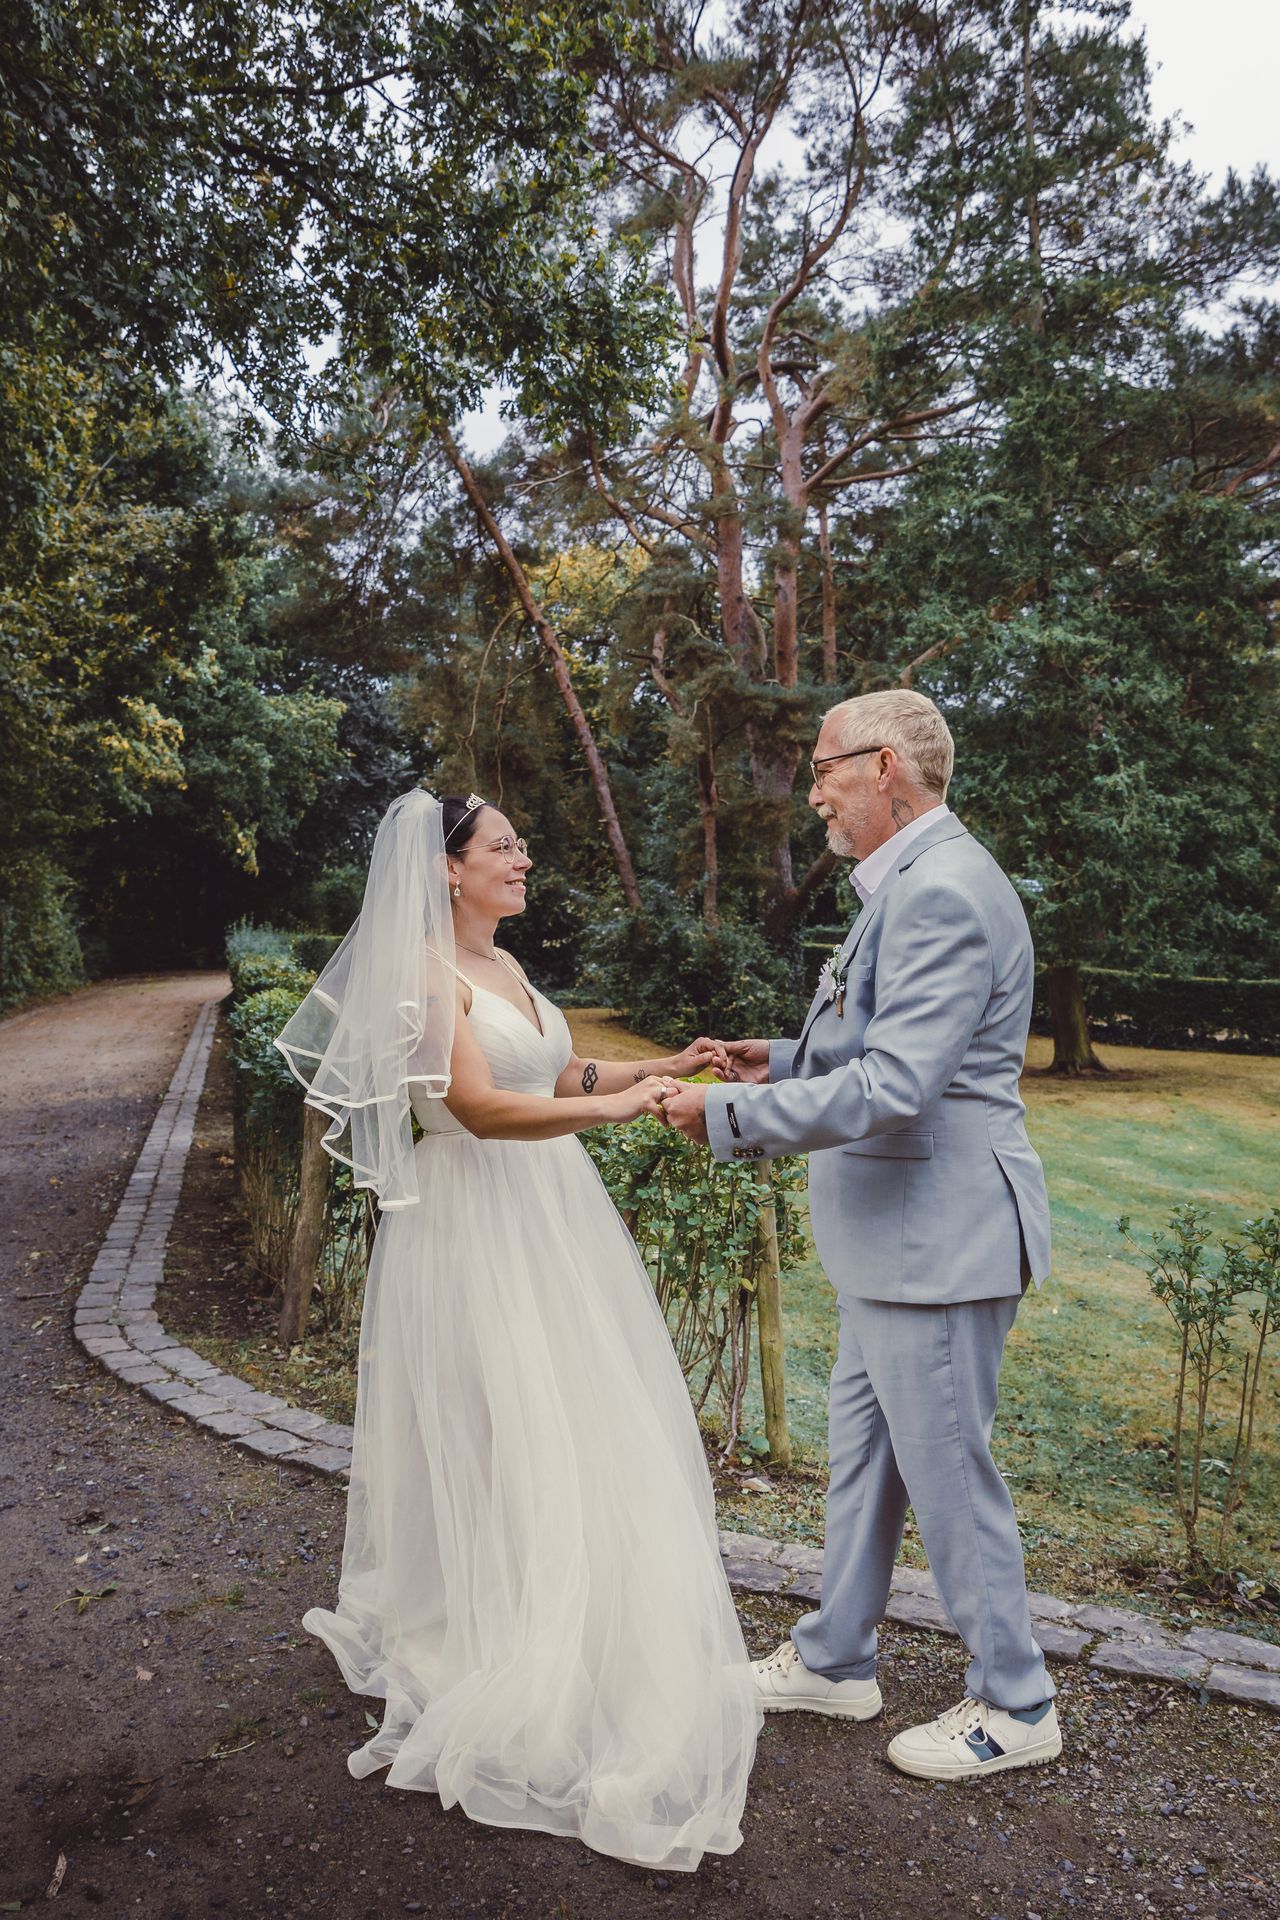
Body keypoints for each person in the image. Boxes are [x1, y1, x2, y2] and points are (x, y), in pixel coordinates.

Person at [275, 788, 759, 1871]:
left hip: (550, 1216)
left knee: (570, 1416)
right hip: (472, 1222)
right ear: (446, 868)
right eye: (503, 845)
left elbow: (556, 1073)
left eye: (518, 844)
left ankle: (562, 1616)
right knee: (498, 1421)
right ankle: (487, 1632)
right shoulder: (424, 973)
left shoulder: (506, 970)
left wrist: (654, 1069)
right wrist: (610, 1113)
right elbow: (480, 1106)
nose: (522, 857)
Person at [662, 689, 1061, 1782]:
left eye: (826, 767)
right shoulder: (912, 881)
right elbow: (871, 1040)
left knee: (947, 1480)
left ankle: (1015, 1704)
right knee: (868, 1465)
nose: (815, 791)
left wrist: (724, 1117)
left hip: (938, 1245)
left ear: (883, 766)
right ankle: (834, 1659)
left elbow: (895, 1085)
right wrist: (773, 1061)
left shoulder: (939, 891)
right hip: (897, 1247)